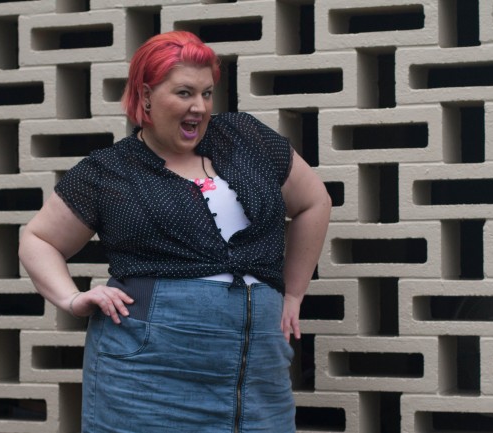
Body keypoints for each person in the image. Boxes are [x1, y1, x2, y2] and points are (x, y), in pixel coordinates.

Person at [18, 30, 331, 433]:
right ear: (145, 96)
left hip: (256, 370)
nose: (199, 107)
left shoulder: (245, 139)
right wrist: (73, 297)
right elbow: (38, 239)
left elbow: (313, 202)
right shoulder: (109, 171)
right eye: (184, 93)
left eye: (207, 93)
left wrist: (293, 292)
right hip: (147, 375)